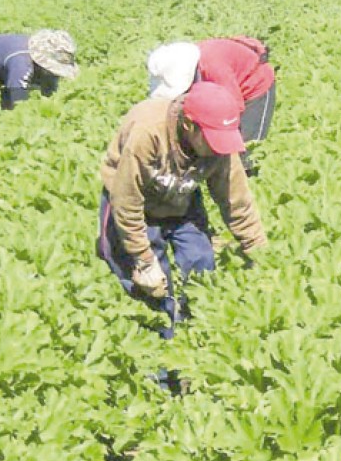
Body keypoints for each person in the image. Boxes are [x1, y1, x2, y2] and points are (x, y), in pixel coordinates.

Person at [97, 81, 267, 339]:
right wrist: (143, 260)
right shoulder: (147, 133)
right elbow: (127, 201)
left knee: (202, 262)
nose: (217, 148)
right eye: (211, 140)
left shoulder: (219, 145)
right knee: (153, 287)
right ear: (188, 125)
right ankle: (160, 361)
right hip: (133, 203)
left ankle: (196, 332)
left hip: (180, 199)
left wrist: (261, 256)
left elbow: (236, 199)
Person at [146, 36, 276, 175]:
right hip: (225, 84)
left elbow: (232, 111)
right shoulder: (180, 65)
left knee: (244, 150)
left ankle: (245, 178)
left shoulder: (213, 68)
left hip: (254, 87)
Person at [0, 30, 79, 129]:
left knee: (0, 115)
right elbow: (19, 102)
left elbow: (50, 91)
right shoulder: (21, 62)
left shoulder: (36, 62)